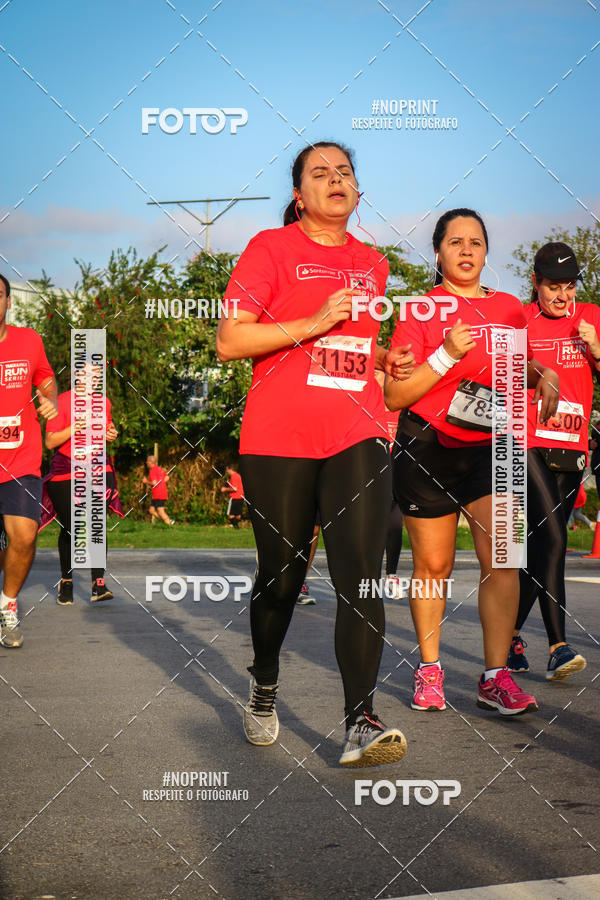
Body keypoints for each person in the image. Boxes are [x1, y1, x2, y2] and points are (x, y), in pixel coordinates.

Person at [216, 141, 414, 767]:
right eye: (320, 173)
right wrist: (315, 320)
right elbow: (230, 341)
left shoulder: (373, 263)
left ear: (358, 191)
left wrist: (384, 359)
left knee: (361, 571)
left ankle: (360, 721)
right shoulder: (268, 250)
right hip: (278, 439)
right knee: (282, 576)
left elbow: (354, 350)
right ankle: (265, 683)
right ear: (299, 194)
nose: (336, 180)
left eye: (346, 171)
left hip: (357, 432)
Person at [384, 209, 559, 715]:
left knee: (505, 559)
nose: (466, 250)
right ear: (437, 252)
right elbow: (396, 395)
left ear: (486, 252)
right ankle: (431, 671)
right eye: (455, 242)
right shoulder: (419, 310)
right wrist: (444, 353)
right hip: (429, 446)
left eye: (476, 242)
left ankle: (494, 676)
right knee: (434, 565)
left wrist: (540, 374)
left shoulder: (509, 309)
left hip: (494, 447)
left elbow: (511, 368)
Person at [509, 242, 600, 681]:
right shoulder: (521, 321)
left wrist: (596, 349)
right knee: (557, 539)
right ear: (536, 284)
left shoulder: (593, 318)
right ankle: (559, 647)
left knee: (540, 548)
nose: (562, 296)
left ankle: (506, 636)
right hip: (527, 443)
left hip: (572, 447)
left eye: (568, 287)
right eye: (552, 287)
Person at [0, 273, 58, 647]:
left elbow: (46, 376)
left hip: (21, 457)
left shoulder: (29, 340)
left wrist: (47, 396)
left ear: (8, 301)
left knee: (23, 536)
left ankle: (7, 606)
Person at [41, 375, 122, 604]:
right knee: (72, 525)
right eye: (90, 373)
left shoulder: (103, 402)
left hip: (97, 467)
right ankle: (66, 582)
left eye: (98, 374)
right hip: (66, 470)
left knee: (96, 522)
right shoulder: (62, 401)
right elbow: (50, 442)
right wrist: (75, 426)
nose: (95, 379)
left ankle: (99, 583)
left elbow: (106, 429)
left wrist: (110, 434)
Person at [143, 456, 173, 525]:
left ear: (151, 462)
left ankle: (169, 524)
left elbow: (154, 483)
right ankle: (167, 521)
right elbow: (167, 477)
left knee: (160, 511)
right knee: (152, 510)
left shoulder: (152, 470)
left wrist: (146, 481)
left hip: (158, 494)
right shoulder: (160, 469)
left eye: (147, 461)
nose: (146, 463)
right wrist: (161, 484)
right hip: (162, 492)